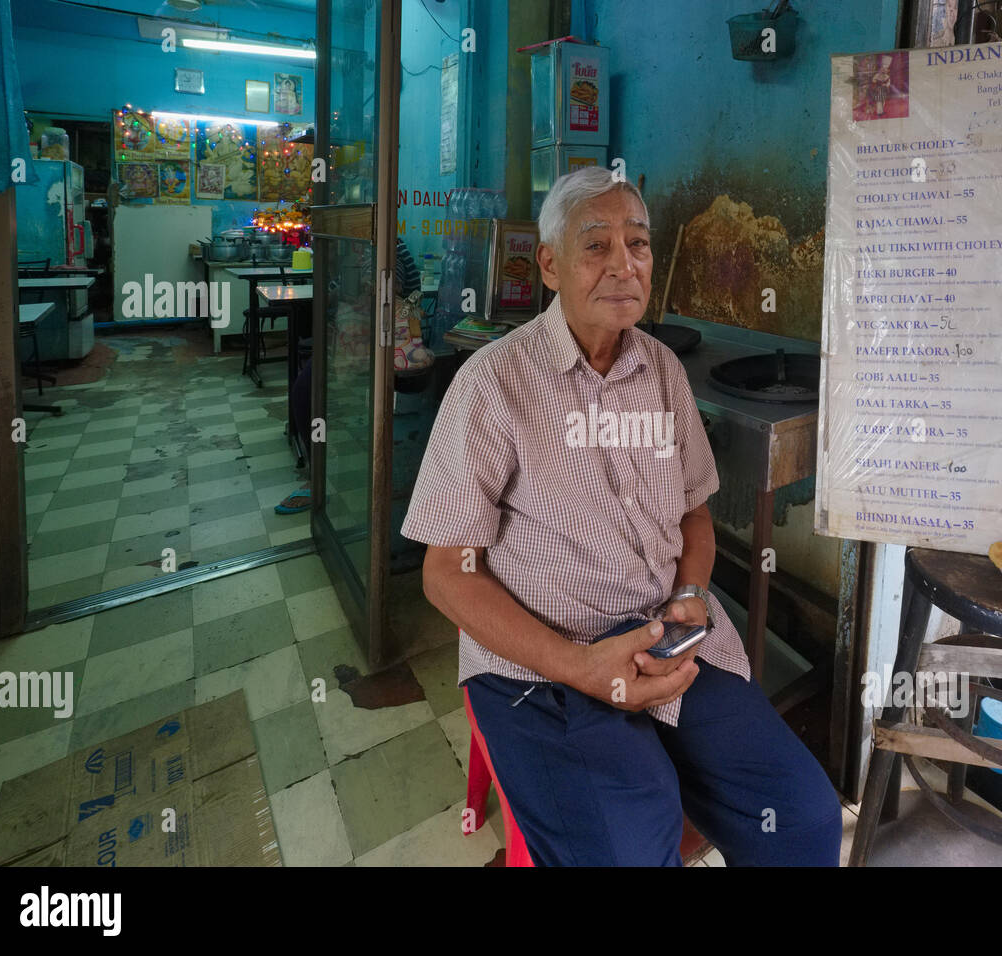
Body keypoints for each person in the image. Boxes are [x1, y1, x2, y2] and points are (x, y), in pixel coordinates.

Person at [401, 166, 841, 865]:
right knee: (632, 846)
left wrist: (691, 594)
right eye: (596, 245)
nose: (623, 265)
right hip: (541, 660)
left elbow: (695, 514)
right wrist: (578, 665)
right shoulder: (493, 384)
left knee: (804, 817)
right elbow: (446, 575)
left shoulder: (662, 369)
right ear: (549, 264)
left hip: (664, 633)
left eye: (637, 244)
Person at [275, 238, 420, 513]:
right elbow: (342, 291)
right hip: (355, 340)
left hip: (386, 345)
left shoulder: (386, 247)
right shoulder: (355, 250)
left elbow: (394, 292)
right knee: (306, 391)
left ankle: (318, 480)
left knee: (307, 391)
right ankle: (320, 471)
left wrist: (363, 290)